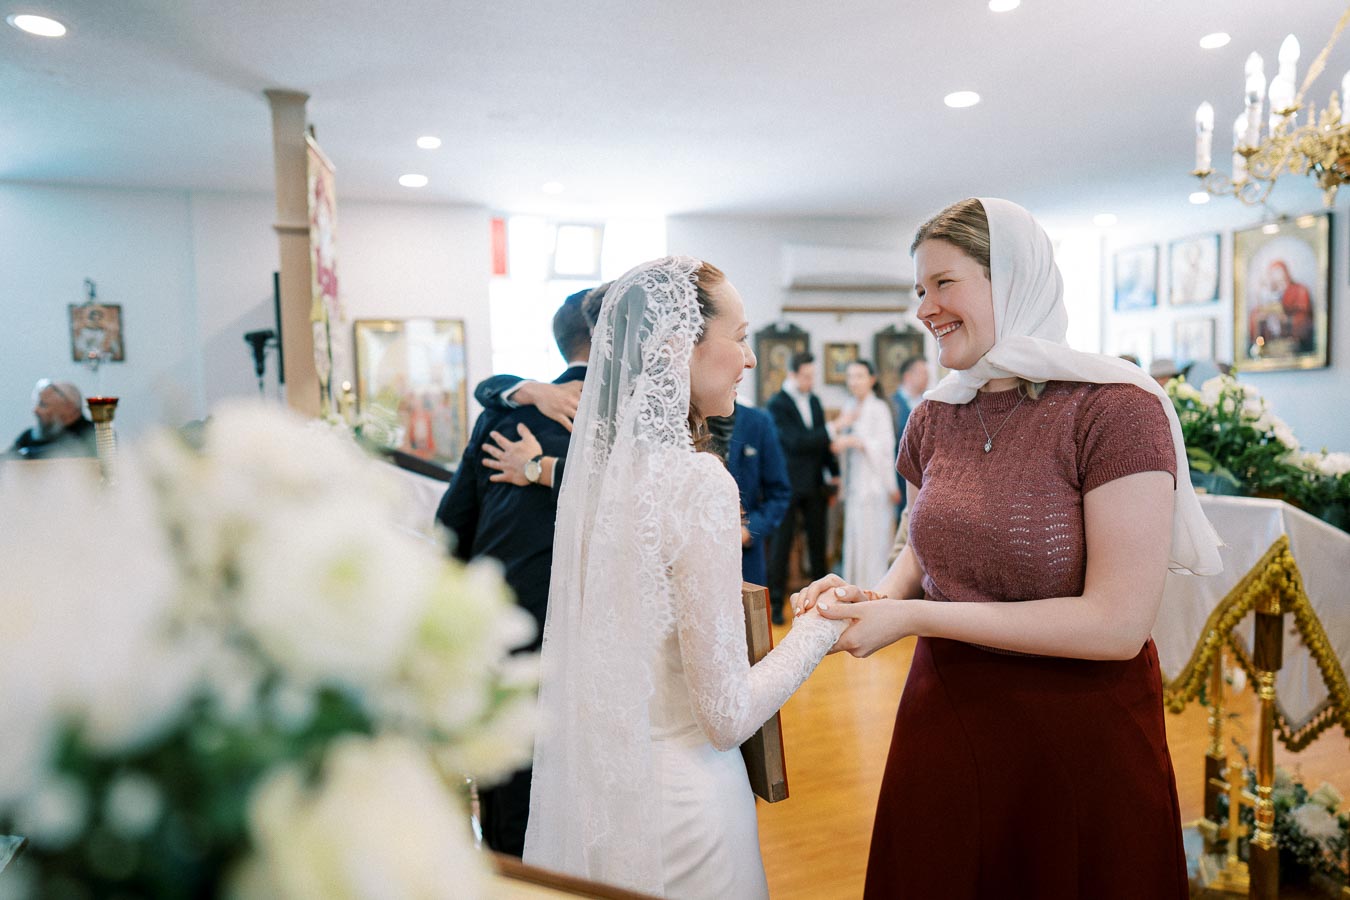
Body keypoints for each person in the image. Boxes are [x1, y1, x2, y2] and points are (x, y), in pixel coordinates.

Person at [795, 198, 1222, 899]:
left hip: (1077, 731)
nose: (925, 308)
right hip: (949, 714)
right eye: (919, 289)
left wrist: (917, 619)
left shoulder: (1115, 409)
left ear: (1013, 278)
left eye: (943, 283)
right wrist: (870, 595)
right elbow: (922, 551)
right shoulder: (935, 415)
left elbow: (1117, 626)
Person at [523, 257, 844, 897]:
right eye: (741, 337)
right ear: (679, 347)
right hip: (685, 806)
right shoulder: (697, 483)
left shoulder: (599, 483)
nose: (750, 360)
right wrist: (820, 626)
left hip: (607, 795)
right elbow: (726, 714)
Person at [433, 297, 591, 856]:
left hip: (501, 622)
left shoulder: (502, 413)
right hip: (583, 626)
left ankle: (503, 870)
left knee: (507, 774)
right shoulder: (619, 416)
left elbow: (450, 526)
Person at [765, 351, 839, 624]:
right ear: (793, 374)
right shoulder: (777, 404)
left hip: (814, 484)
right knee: (781, 546)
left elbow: (822, 445)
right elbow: (795, 442)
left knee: (817, 545)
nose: (811, 381)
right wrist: (833, 428)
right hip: (787, 485)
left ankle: (824, 605)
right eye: (806, 376)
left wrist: (834, 472)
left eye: (813, 375)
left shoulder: (816, 401)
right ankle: (774, 605)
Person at [830, 360, 897, 587]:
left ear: (871, 379)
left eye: (859, 376)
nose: (854, 381)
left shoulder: (878, 407)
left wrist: (856, 441)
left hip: (874, 486)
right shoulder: (849, 405)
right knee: (855, 540)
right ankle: (854, 589)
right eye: (850, 376)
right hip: (854, 486)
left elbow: (886, 448)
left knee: (874, 543)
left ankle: (876, 591)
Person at [716, 402, 792, 586]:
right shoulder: (678, 425)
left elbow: (779, 492)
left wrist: (750, 530)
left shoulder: (758, 422)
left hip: (745, 559)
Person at [6, 380, 95, 459]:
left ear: (68, 408)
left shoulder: (91, 435)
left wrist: (26, 455)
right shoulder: (28, 437)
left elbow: (66, 452)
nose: (35, 410)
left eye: (43, 405)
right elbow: (7, 459)